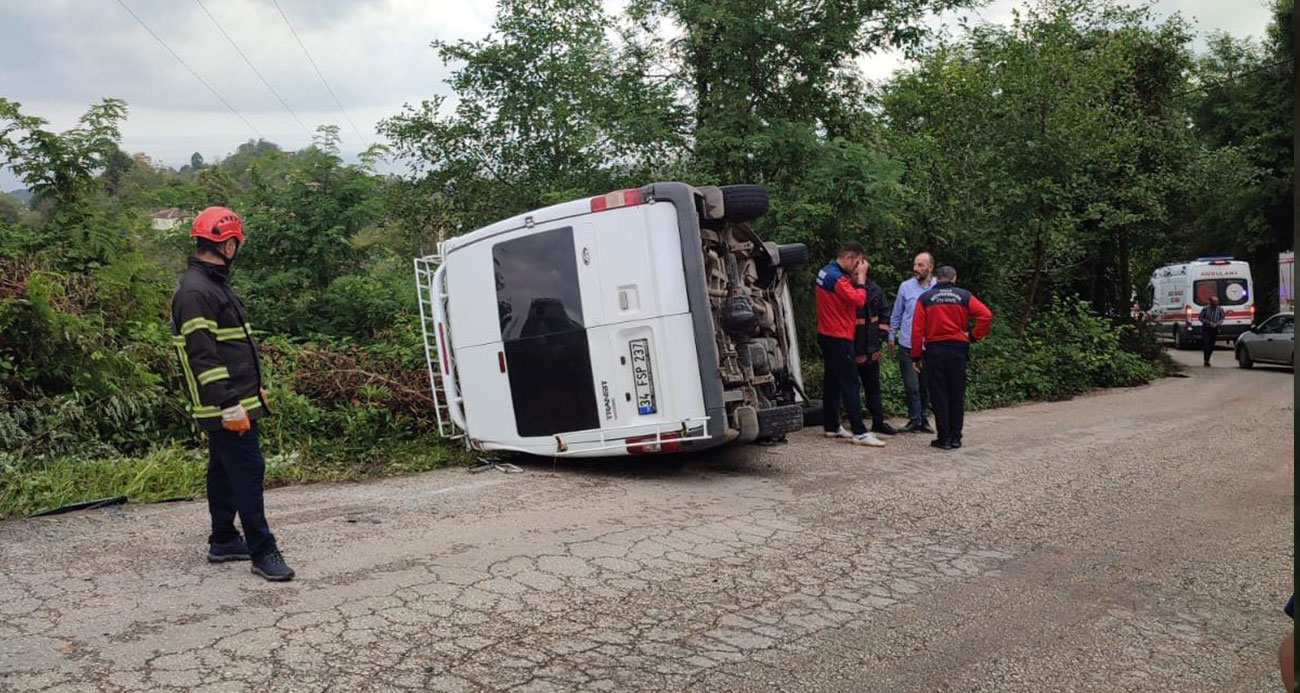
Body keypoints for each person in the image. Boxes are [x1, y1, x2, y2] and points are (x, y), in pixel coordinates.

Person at [171, 206, 294, 582]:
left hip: (237, 396)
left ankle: (223, 539)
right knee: (248, 470)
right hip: (224, 402)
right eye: (235, 243)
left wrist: (254, 387)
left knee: (224, 471)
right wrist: (228, 404)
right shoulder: (197, 291)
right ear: (226, 244)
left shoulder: (213, 284)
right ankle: (262, 549)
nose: (236, 249)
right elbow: (202, 355)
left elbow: (234, 345)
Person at [911, 266, 993, 450]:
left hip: (935, 351)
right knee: (956, 394)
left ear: (937, 279)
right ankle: (956, 437)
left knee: (939, 395)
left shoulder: (925, 298)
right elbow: (986, 315)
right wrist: (973, 335)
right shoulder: (963, 296)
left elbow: (917, 330)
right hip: (957, 350)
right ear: (954, 278)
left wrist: (916, 356)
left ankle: (944, 438)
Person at [816, 242, 885, 447]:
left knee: (832, 381)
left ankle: (831, 425)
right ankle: (860, 432)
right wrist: (862, 279)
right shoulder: (838, 279)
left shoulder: (825, 271)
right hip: (839, 336)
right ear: (848, 258)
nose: (858, 268)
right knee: (850, 383)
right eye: (857, 263)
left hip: (826, 333)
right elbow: (859, 300)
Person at [889, 252, 937, 433]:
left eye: (920, 265)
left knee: (925, 385)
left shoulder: (938, 287)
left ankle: (923, 419)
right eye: (915, 265)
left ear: (930, 267)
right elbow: (897, 313)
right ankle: (914, 419)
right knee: (912, 385)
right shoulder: (906, 287)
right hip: (908, 344)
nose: (916, 269)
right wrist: (891, 335)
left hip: (929, 345)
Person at [854, 260, 897, 436]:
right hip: (852, 348)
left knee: (873, 388)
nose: (857, 276)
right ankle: (855, 423)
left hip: (872, 348)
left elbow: (884, 317)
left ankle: (878, 421)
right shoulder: (847, 290)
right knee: (851, 388)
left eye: (860, 272)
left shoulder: (876, 290)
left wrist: (881, 338)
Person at [1198, 296, 1225, 367]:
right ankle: (1206, 360)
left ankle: (1208, 358)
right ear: (1210, 302)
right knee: (1206, 344)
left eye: (1217, 302)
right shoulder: (1205, 309)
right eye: (1214, 302)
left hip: (1215, 329)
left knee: (1212, 344)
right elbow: (1200, 317)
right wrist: (1209, 322)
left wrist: (1217, 323)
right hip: (1206, 328)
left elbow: (1222, 318)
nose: (1216, 303)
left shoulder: (1220, 309)